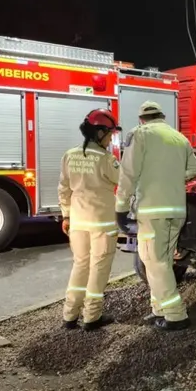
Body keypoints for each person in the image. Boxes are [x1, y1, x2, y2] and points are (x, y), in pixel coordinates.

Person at [115, 101, 196, 331]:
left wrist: (121, 206)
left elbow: (128, 172)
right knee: (155, 261)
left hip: (153, 211)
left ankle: (176, 315)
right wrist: (173, 177)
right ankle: (159, 309)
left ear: (142, 119)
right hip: (176, 210)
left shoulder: (141, 135)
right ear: (162, 117)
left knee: (156, 263)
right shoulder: (179, 138)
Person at [57, 108, 123, 331]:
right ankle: (92, 317)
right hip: (102, 224)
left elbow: (64, 189)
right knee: (98, 269)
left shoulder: (70, 155)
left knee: (80, 266)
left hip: (77, 222)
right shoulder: (106, 159)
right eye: (110, 134)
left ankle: (69, 315)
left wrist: (66, 215)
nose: (111, 138)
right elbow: (123, 183)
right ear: (100, 133)